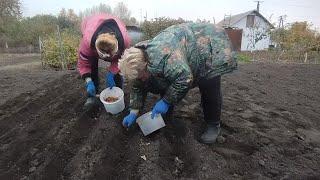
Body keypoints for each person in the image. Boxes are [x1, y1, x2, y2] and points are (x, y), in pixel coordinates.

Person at [118, 23, 238, 144]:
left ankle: (213, 124)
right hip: (182, 46)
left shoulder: (165, 58)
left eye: (141, 76)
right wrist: (133, 111)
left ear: (145, 66)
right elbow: (138, 85)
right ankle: (168, 115)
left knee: (209, 84)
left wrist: (165, 101)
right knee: (163, 79)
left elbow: (185, 79)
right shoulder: (138, 58)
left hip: (208, 44)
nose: (140, 80)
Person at [77, 13, 131, 110]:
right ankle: (93, 95)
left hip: (117, 31)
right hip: (91, 26)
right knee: (92, 64)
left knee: (117, 73)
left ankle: (118, 91)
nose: (107, 59)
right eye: (103, 55)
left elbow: (122, 59)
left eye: (111, 55)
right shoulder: (87, 43)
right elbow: (83, 64)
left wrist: (112, 73)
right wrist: (88, 81)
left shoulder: (125, 40)